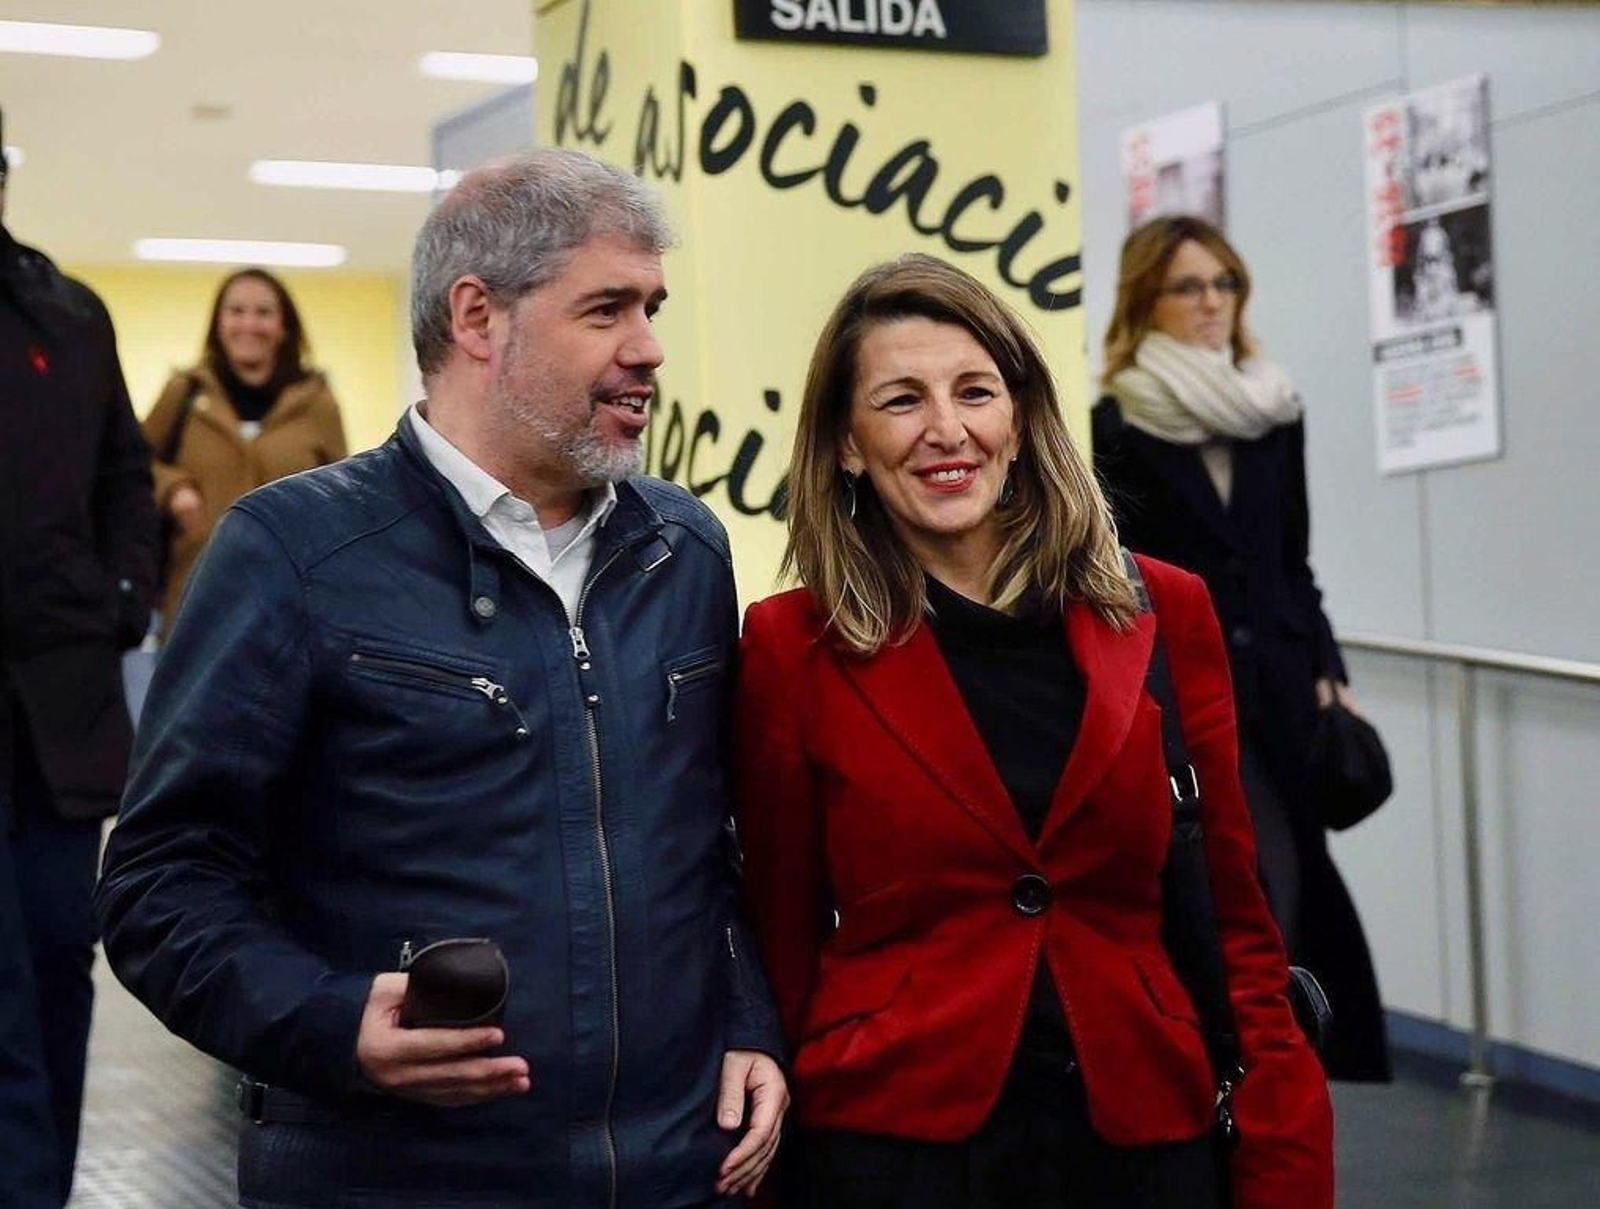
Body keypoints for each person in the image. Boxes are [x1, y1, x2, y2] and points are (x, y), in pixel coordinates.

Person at [96, 147, 787, 1208]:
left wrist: (748, 1022)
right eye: (606, 310)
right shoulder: (294, 554)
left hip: (673, 1169)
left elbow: (713, 850)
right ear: (476, 318)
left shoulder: (681, 551)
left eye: (651, 307)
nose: (648, 349)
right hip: (396, 1175)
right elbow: (161, 883)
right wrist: (330, 1023)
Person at [737, 252, 1332, 1209]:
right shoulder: (791, 645)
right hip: (896, 1146)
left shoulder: (1164, 613)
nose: (947, 429)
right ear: (846, 442)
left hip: (1143, 1129)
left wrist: (1285, 1162)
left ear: (1019, 419)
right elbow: (780, 941)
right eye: (899, 400)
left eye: (975, 391)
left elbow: (1236, 921)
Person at [1091, 214, 1390, 1082]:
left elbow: (1293, 560)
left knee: (1289, 869)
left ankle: (1277, 1067)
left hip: (1286, 684)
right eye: (1189, 287)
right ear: (1149, 298)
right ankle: (1243, 1064)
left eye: (1225, 284)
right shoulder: (1113, 424)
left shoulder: (1273, 411)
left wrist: (1330, 670)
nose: (1213, 303)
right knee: (1250, 875)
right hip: (1184, 688)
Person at [0, 106, 158, 1206]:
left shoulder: (65, 311)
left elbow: (124, 479)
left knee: (59, 956)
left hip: (57, 708)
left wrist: (120, 599)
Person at [142, 267, 347, 629]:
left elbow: (344, 495)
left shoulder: (319, 403)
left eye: (263, 312)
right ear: (218, 323)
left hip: (293, 604)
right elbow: (135, 464)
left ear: (284, 327)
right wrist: (173, 487)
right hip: (196, 597)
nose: (248, 324)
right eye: (236, 311)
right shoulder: (184, 393)